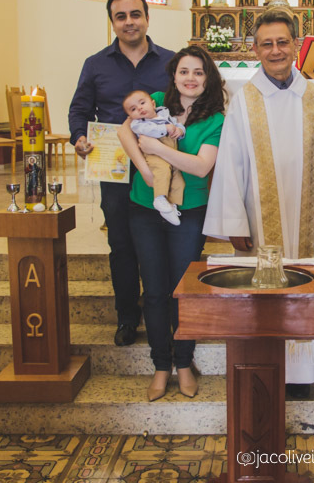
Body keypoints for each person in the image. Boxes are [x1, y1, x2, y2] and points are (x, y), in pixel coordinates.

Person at [204, 9, 314, 398]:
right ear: (255, 50)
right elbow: (230, 162)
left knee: (305, 281)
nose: (275, 50)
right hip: (258, 218)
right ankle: (267, 368)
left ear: (296, 45)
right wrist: (234, 222)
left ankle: (302, 373)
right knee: (265, 289)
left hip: (307, 216)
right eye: (267, 44)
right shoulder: (244, 99)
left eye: (282, 42)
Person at [117, 45, 227, 401]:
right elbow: (124, 134)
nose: (190, 78)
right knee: (153, 290)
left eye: (198, 72)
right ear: (174, 76)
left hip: (189, 208)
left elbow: (201, 167)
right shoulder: (154, 101)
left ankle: (183, 363)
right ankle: (161, 365)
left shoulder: (215, 119)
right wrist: (147, 171)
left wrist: (158, 149)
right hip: (144, 207)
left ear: (207, 78)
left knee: (183, 289)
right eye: (184, 71)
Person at [68, 0, 175, 348]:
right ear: (112, 22)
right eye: (121, 16)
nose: (129, 22)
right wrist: (79, 138)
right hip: (114, 168)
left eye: (135, 14)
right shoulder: (95, 64)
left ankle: (166, 312)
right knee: (121, 242)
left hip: (159, 166)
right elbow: (79, 110)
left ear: (147, 18)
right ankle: (127, 316)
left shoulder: (170, 62)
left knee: (162, 240)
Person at [121, 89, 185, 225]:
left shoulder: (164, 113)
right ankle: (159, 198)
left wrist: (180, 130)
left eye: (142, 103)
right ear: (130, 115)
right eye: (133, 109)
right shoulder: (138, 123)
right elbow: (148, 130)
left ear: (153, 103)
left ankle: (171, 206)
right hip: (153, 154)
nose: (140, 108)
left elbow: (175, 123)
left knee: (178, 180)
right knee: (162, 171)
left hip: (170, 152)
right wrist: (165, 129)